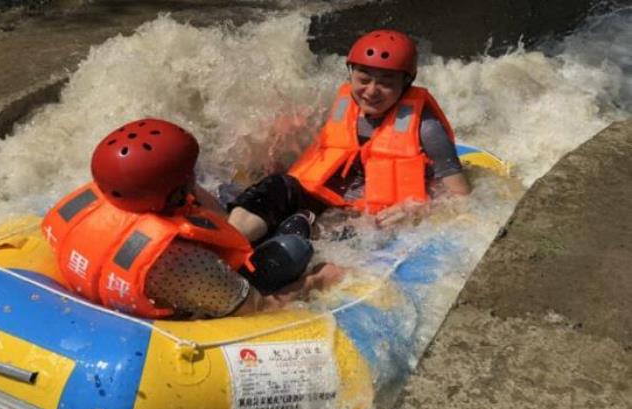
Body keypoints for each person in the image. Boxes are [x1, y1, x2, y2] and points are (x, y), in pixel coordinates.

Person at [41, 118, 331, 319]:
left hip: (132, 276)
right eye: (188, 173)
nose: (194, 176)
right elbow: (259, 309)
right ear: (176, 189)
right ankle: (303, 223)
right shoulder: (181, 263)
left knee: (275, 192)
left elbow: (204, 212)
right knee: (294, 248)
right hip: (194, 295)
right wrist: (317, 281)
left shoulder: (100, 196)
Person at [228, 29, 470, 243]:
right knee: (275, 186)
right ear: (351, 74)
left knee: (325, 230)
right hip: (323, 199)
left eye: (386, 83)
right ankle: (226, 245)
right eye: (363, 79)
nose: (372, 91)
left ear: (406, 83)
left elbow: (461, 197)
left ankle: (286, 241)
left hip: (368, 218)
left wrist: (415, 211)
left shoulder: (427, 128)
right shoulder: (343, 106)